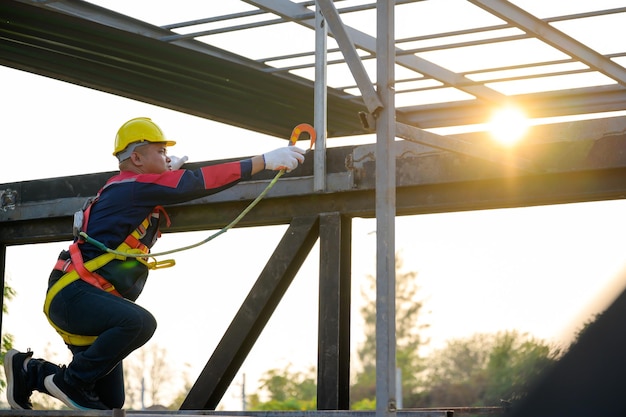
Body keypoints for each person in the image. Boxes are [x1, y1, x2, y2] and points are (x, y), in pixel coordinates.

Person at [3, 117, 306, 410]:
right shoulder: (132, 189)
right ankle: (71, 380)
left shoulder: (134, 189)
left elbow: (172, 185)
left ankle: (30, 371)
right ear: (136, 158)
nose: (167, 157)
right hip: (76, 297)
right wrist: (263, 161)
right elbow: (196, 182)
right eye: (160, 152)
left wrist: (161, 171)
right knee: (140, 323)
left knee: (109, 402)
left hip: (88, 304)